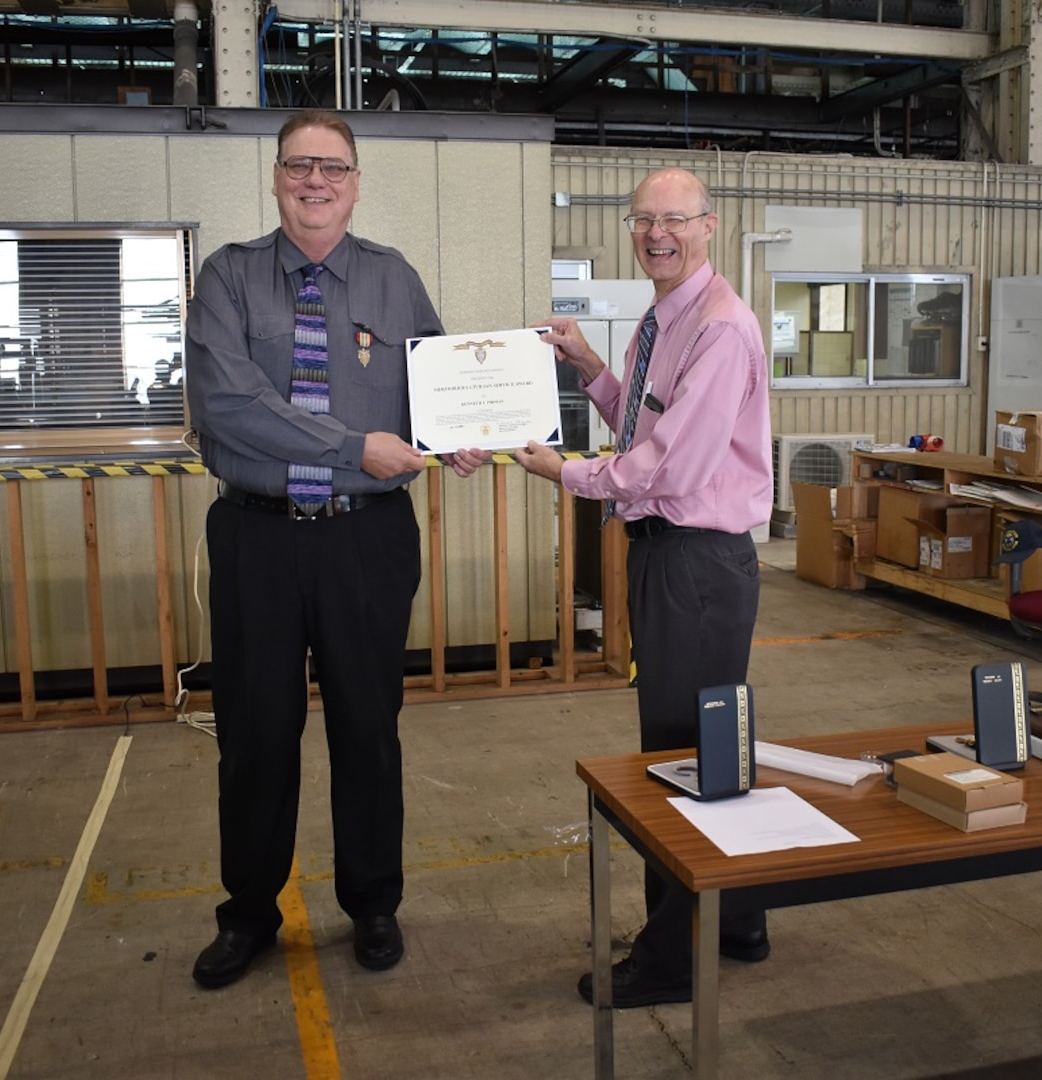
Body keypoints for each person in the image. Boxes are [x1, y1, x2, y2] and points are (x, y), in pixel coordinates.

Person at [184, 109, 482, 989]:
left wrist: (464, 430)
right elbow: (228, 402)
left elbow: (436, 386)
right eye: (299, 166)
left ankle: (375, 904)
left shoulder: (395, 281)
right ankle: (249, 914)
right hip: (258, 541)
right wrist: (352, 446)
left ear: (356, 182)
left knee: (367, 726)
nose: (316, 182)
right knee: (255, 734)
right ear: (276, 177)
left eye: (334, 169)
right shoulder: (228, 279)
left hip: (368, 541)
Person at [509, 167, 773, 1009]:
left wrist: (566, 472)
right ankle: (736, 922)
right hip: (682, 556)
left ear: (710, 225)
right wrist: (590, 367)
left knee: (679, 756)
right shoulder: (664, 321)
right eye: (643, 221)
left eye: (675, 220)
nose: (657, 233)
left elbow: (671, 465)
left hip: (695, 560)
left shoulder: (720, 328)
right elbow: (648, 424)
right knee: (712, 745)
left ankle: (669, 960)